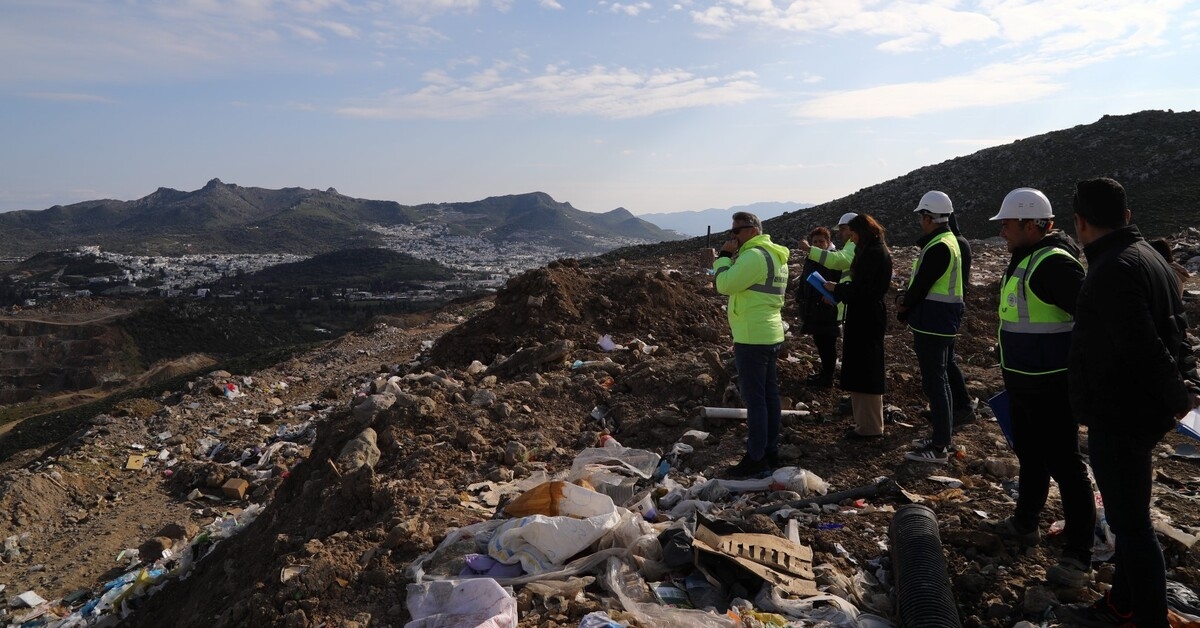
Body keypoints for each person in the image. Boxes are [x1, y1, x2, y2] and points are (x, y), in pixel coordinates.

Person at [1058, 177, 1200, 628]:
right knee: (1126, 520)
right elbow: (1176, 330)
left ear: (1080, 223)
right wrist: (1186, 383)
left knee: (1133, 526)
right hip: (1141, 410)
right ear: (1127, 217)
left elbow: (1142, 345)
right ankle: (1123, 603)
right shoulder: (1149, 258)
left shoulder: (1112, 269)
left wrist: (1180, 397)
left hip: (1121, 414)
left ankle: (1148, 618)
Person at [982, 187, 1096, 588]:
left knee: (1067, 467)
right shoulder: (1025, 259)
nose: (1002, 232)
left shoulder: (1053, 265)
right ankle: (1025, 523)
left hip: (1050, 386)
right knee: (1031, 457)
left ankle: (1078, 555)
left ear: (1032, 225)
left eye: (1008, 224)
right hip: (1024, 382)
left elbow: (1091, 322)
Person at [708, 211, 790, 478]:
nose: (734, 237)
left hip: (753, 336)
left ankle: (756, 459)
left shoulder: (754, 256)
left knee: (756, 401)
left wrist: (722, 258)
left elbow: (724, 284)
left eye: (738, 231)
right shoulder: (775, 256)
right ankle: (770, 450)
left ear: (753, 230)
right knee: (769, 396)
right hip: (769, 332)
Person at [898, 191, 972, 463]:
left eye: (922, 216)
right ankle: (942, 436)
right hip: (942, 318)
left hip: (933, 320)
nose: (921, 221)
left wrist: (904, 305)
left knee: (936, 381)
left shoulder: (939, 245)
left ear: (929, 217)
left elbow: (921, 285)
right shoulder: (949, 241)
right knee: (940, 378)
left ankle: (940, 445)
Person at [824, 214, 892, 439]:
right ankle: (863, 424)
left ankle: (870, 427)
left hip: (866, 317)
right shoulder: (873, 250)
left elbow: (863, 290)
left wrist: (838, 289)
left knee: (866, 369)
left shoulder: (873, 254)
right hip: (864, 315)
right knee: (862, 367)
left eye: (852, 234)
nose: (851, 239)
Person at [795, 226, 842, 387]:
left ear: (828, 242)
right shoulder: (811, 258)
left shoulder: (833, 258)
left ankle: (828, 377)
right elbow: (804, 278)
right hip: (812, 308)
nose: (818, 244)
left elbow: (838, 279)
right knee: (820, 342)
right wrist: (800, 295)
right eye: (814, 241)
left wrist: (831, 296)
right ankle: (824, 373)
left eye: (821, 241)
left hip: (826, 308)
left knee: (827, 343)